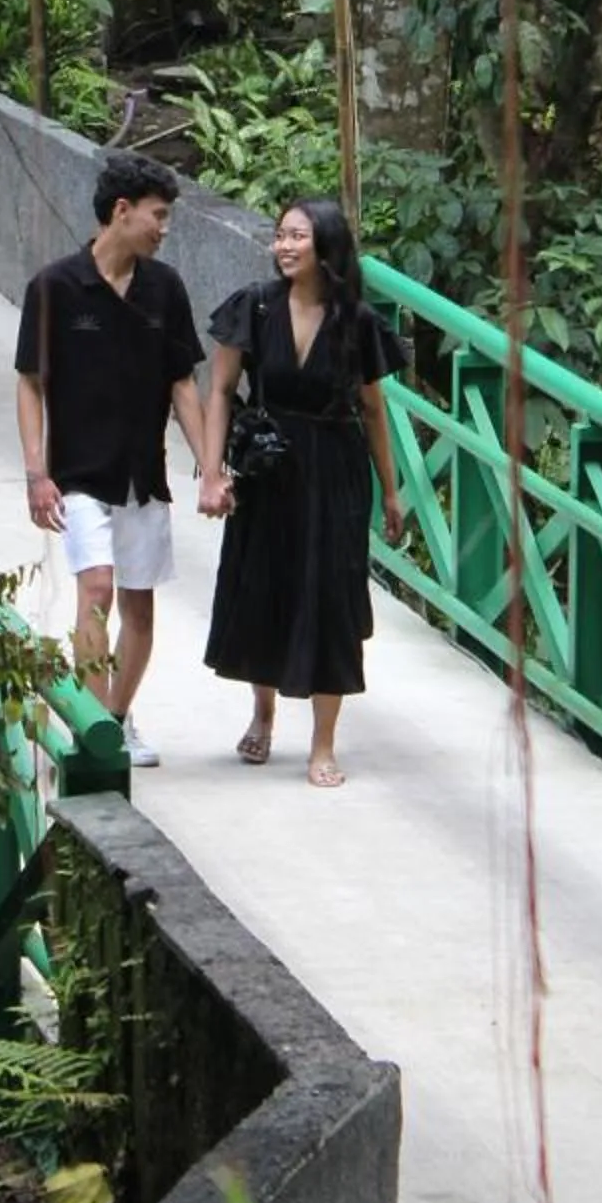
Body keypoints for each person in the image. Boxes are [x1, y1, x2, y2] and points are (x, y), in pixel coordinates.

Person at [197, 196, 406, 788]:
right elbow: (219, 391)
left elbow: (373, 409)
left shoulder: (358, 321)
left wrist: (391, 492)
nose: (283, 246)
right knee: (265, 584)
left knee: (330, 596)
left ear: (326, 246)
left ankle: (323, 743)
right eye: (279, 236)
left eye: (296, 237)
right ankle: (263, 715)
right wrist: (213, 473)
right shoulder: (254, 307)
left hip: (336, 469)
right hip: (269, 465)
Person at [14, 150, 211, 768]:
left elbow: (183, 383)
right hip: (78, 474)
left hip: (142, 475)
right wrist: (36, 471)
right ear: (121, 212)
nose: (164, 228)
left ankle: (117, 719)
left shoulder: (165, 288)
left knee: (140, 608)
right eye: (158, 215)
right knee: (95, 587)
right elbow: (29, 381)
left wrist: (210, 466)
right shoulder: (55, 287)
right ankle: (91, 729)